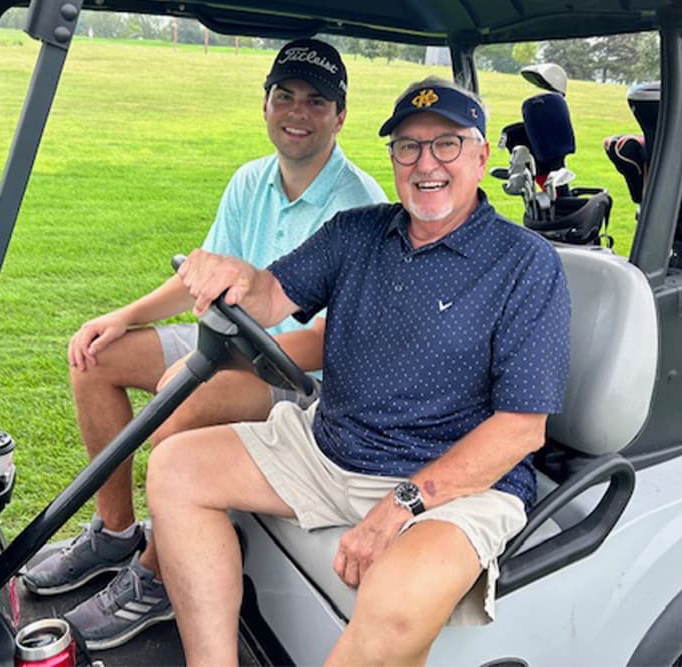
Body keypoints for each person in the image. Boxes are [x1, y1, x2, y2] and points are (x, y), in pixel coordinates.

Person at [147, 76, 571, 665]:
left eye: (446, 143)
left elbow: (521, 429)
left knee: (399, 599)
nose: (426, 163)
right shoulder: (359, 232)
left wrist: (400, 505)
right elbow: (271, 295)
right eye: (408, 146)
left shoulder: (525, 265)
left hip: (453, 483)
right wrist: (240, 277)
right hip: (331, 446)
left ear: (481, 155)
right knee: (176, 467)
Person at [21, 38, 387, 648]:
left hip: (296, 380)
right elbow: (202, 271)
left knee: (179, 397)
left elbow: (335, 339)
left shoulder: (359, 205)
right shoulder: (252, 181)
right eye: (284, 96)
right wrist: (121, 316)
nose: (297, 112)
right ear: (265, 105)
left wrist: (217, 362)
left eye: (316, 101)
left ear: (340, 116)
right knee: (94, 359)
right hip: (230, 342)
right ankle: (114, 532)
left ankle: (155, 580)